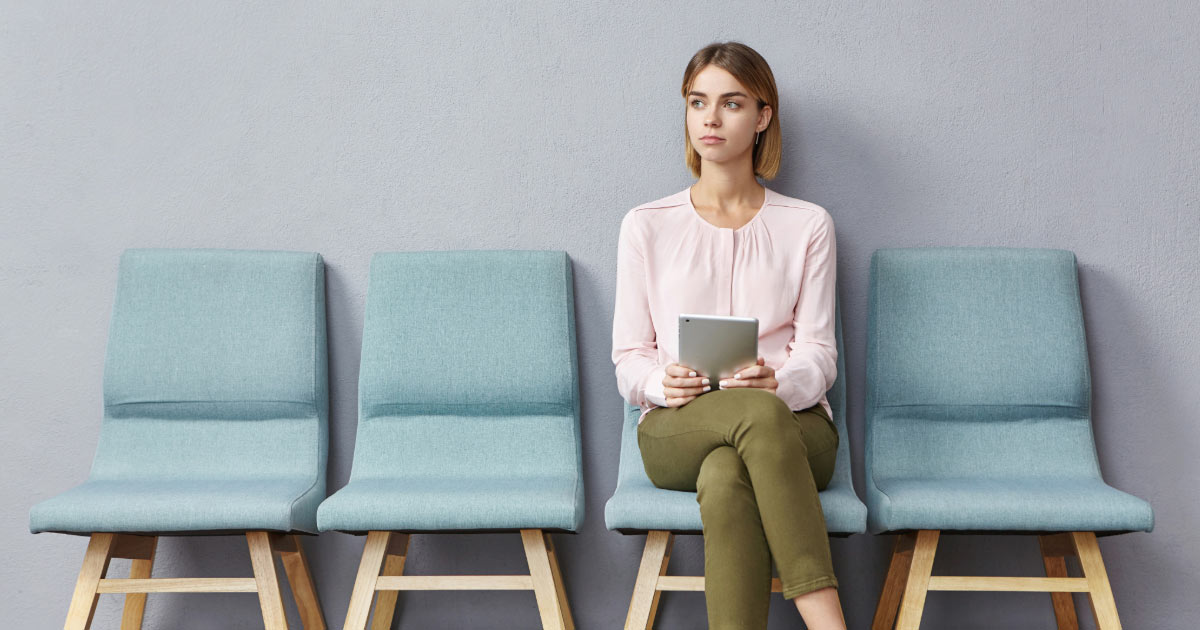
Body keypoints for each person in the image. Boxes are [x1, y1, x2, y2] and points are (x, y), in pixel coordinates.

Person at [611, 41, 847, 630]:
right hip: (677, 428)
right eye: (698, 102)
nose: (710, 119)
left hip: (795, 428)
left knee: (727, 472)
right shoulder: (647, 226)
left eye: (732, 103)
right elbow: (628, 358)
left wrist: (782, 381)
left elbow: (819, 352)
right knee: (745, 427)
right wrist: (660, 383)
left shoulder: (807, 225)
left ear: (763, 115)